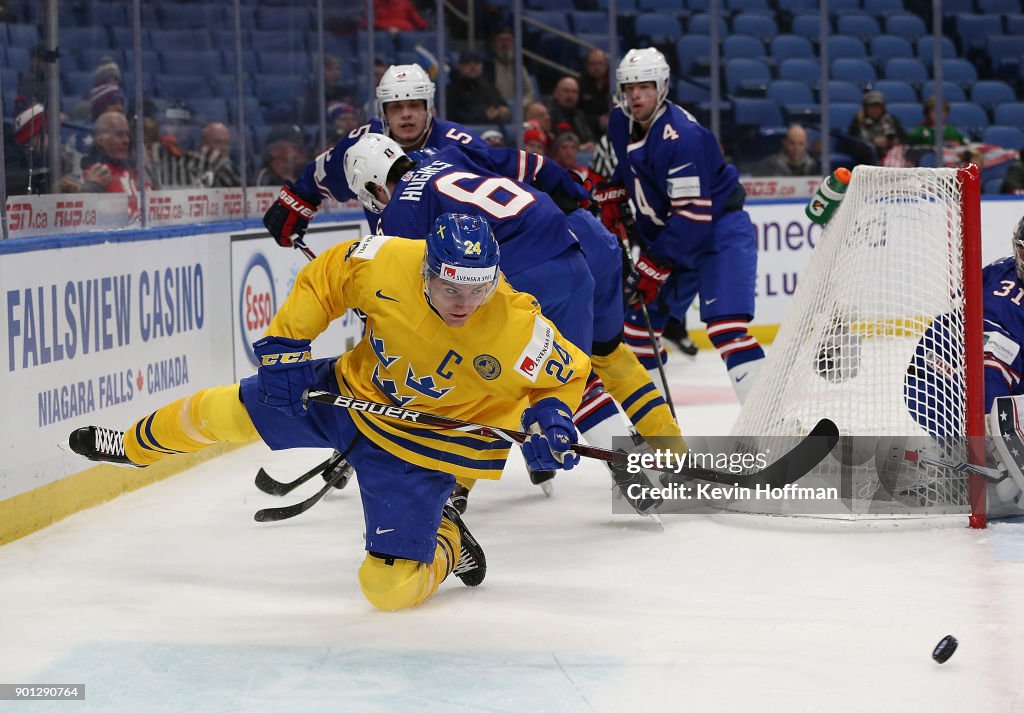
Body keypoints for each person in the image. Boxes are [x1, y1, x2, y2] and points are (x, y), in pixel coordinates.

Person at [67, 213, 588, 611]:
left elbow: (561, 377)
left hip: (423, 443)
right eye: (451, 286)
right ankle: (133, 446)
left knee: (387, 590)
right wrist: (288, 342)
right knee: (224, 409)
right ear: (427, 270)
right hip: (349, 391)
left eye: (477, 289)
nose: (463, 302)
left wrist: (554, 420)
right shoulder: (388, 260)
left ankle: (447, 537)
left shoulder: (517, 327)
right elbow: (328, 276)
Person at [342, 134, 684, 504]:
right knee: (569, 373)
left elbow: (409, 295)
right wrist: (571, 189)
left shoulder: (398, 214)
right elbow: (533, 164)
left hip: (519, 277)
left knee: (478, 373)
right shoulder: (451, 153)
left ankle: (454, 480)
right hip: (572, 251)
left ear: (375, 184)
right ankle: (645, 464)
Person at [600, 47, 765, 401]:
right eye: (629, 88)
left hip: (717, 232)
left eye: (644, 87)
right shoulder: (619, 121)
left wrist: (652, 266)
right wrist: (614, 188)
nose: (636, 95)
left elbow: (692, 216)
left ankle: (773, 422)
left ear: (662, 86)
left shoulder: (682, 136)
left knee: (726, 328)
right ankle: (656, 431)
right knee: (636, 331)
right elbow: (634, 165)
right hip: (672, 236)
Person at [905, 216, 1024, 516]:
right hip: (967, 355)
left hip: (1007, 373)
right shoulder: (998, 270)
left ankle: (988, 456)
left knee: (991, 370)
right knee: (923, 379)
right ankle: (962, 456)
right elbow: (960, 313)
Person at [79, 111, 144, 196]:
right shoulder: (92, 176)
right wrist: (93, 186)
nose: (126, 140)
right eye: (119, 134)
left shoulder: (136, 170)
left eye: (127, 134)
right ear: (100, 139)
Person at [446, 51, 511, 125]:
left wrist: (503, 112)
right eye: (467, 62)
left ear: (482, 66)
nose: (472, 66)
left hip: (492, 130)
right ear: (460, 66)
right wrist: (483, 116)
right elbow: (451, 116)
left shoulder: (490, 88)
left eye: (476, 62)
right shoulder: (452, 90)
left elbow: (502, 106)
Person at [847, 90, 906, 165]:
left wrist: (895, 141)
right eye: (872, 107)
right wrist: (873, 142)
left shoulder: (891, 120)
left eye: (878, 107)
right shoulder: (858, 121)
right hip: (869, 156)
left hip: (892, 155)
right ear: (866, 108)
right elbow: (852, 142)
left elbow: (905, 138)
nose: (875, 110)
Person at [4, 99, 49, 195]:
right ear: (32, 136)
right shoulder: (12, 161)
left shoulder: (42, 157)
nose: (54, 138)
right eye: (47, 132)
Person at [485, 27, 536, 109]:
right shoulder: (487, 68)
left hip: (519, 108)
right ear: (494, 44)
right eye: (501, 40)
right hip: (497, 108)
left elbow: (529, 93)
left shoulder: (519, 67)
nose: (505, 44)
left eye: (508, 40)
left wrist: (519, 105)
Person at [545, 76, 595, 151]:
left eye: (574, 92)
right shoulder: (548, 114)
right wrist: (577, 148)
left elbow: (589, 139)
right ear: (556, 93)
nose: (570, 95)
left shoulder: (579, 114)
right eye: (566, 91)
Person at [750, 124, 821, 177]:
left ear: (806, 145)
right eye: (792, 143)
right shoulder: (769, 165)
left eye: (801, 144)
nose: (796, 148)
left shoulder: (814, 167)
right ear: (785, 143)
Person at [578, 49, 612, 137]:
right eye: (593, 64)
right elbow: (576, 113)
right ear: (587, 66)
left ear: (606, 65)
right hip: (587, 130)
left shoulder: (615, 84)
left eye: (600, 63)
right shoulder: (579, 85)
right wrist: (597, 120)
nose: (597, 68)